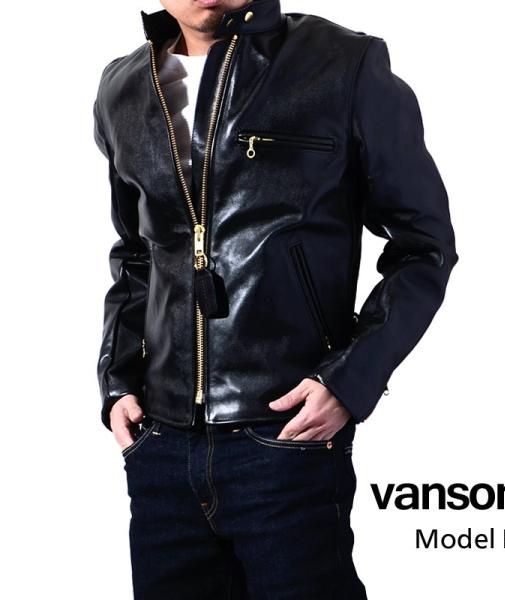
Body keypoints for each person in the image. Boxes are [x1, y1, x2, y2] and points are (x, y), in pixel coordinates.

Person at [92, 0, 458, 597]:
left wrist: (350, 379)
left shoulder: (342, 64)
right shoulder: (122, 86)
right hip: (159, 447)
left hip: (286, 438)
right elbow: (136, 253)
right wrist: (116, 381)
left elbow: (424, 246)